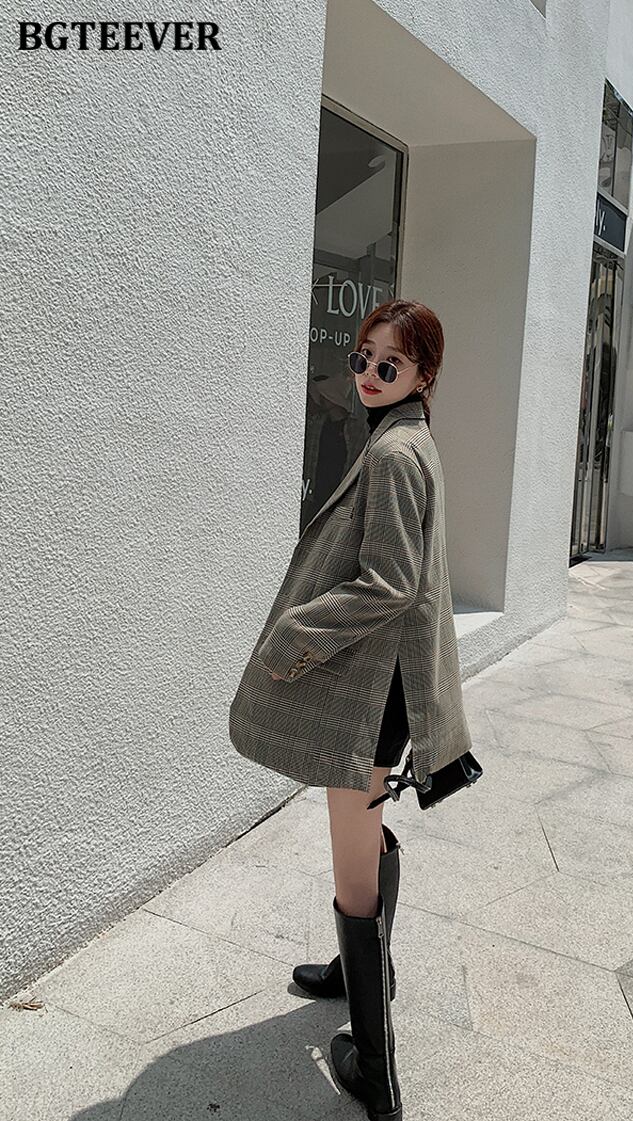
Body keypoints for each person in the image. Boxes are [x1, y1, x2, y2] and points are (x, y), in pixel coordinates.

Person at [229, 299, 473, 1121]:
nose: (368, 374)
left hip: (374, 695)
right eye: (363, 357)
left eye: (388, 364)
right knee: (365, 837)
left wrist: (295, 635)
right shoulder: (406, 436)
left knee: (351, 863)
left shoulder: (397, 452)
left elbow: (390, 583)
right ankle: (361, 970)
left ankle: (377, 1072)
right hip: (389, 686)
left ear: (423, 375)